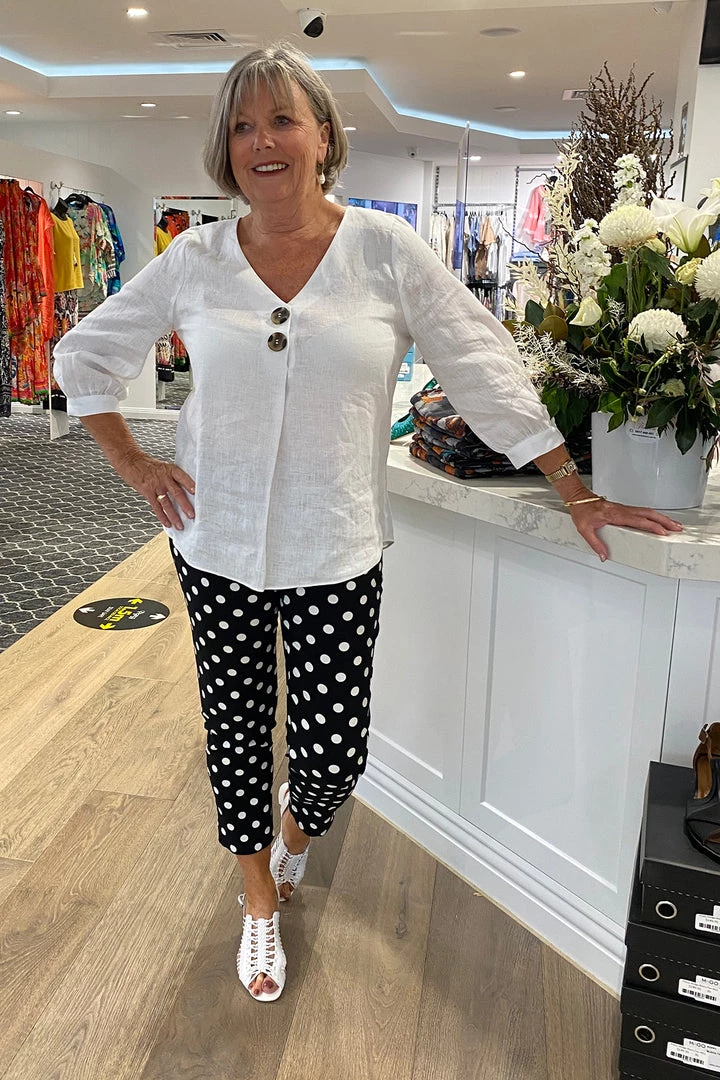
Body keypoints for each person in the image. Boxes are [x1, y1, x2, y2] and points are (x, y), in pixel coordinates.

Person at [52, 42, 684, 1004]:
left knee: (334, 751)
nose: (262, 141)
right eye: (242, 126)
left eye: (281, 119)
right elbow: (83, 356)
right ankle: (256, 895)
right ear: (227, 148)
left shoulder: (384, 250)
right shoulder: (196, 259)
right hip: (216, 541)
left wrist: (574, 485)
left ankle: (295, 834)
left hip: (337, 542)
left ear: (322, 135)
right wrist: (135, 465)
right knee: (233, 727)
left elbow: (480, 363)